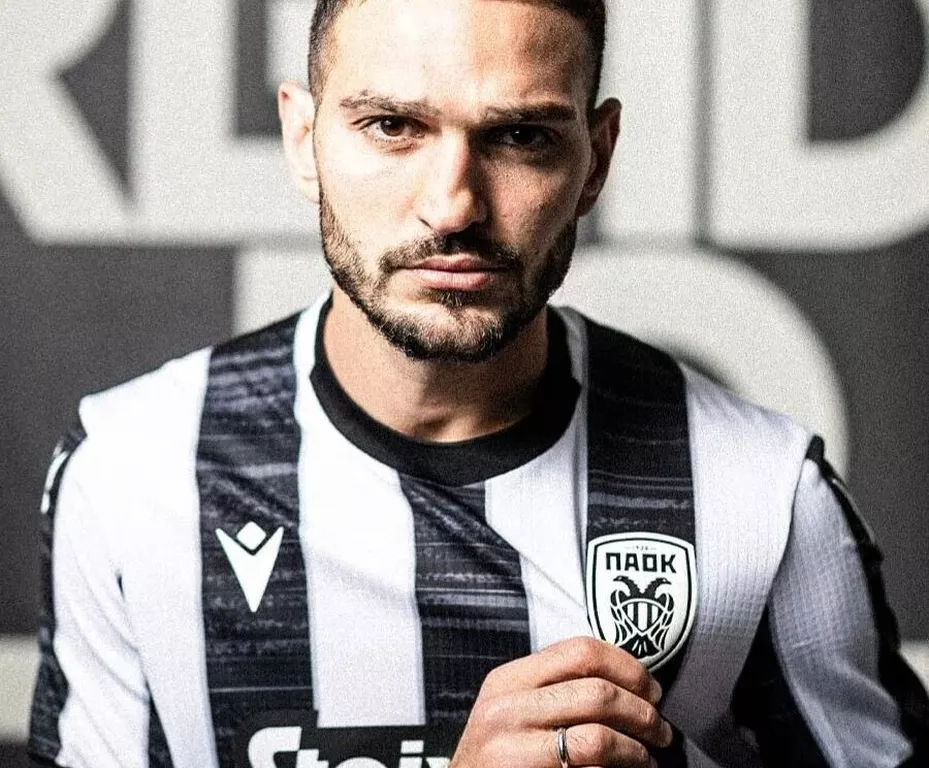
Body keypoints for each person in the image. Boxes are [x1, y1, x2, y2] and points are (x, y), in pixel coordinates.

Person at [29, 0, 928, 766]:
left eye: (520, 136)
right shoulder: (132, 472)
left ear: (596, 158)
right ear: (303, 139)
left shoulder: (759, 493)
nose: (453, 204)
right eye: (392, 126)